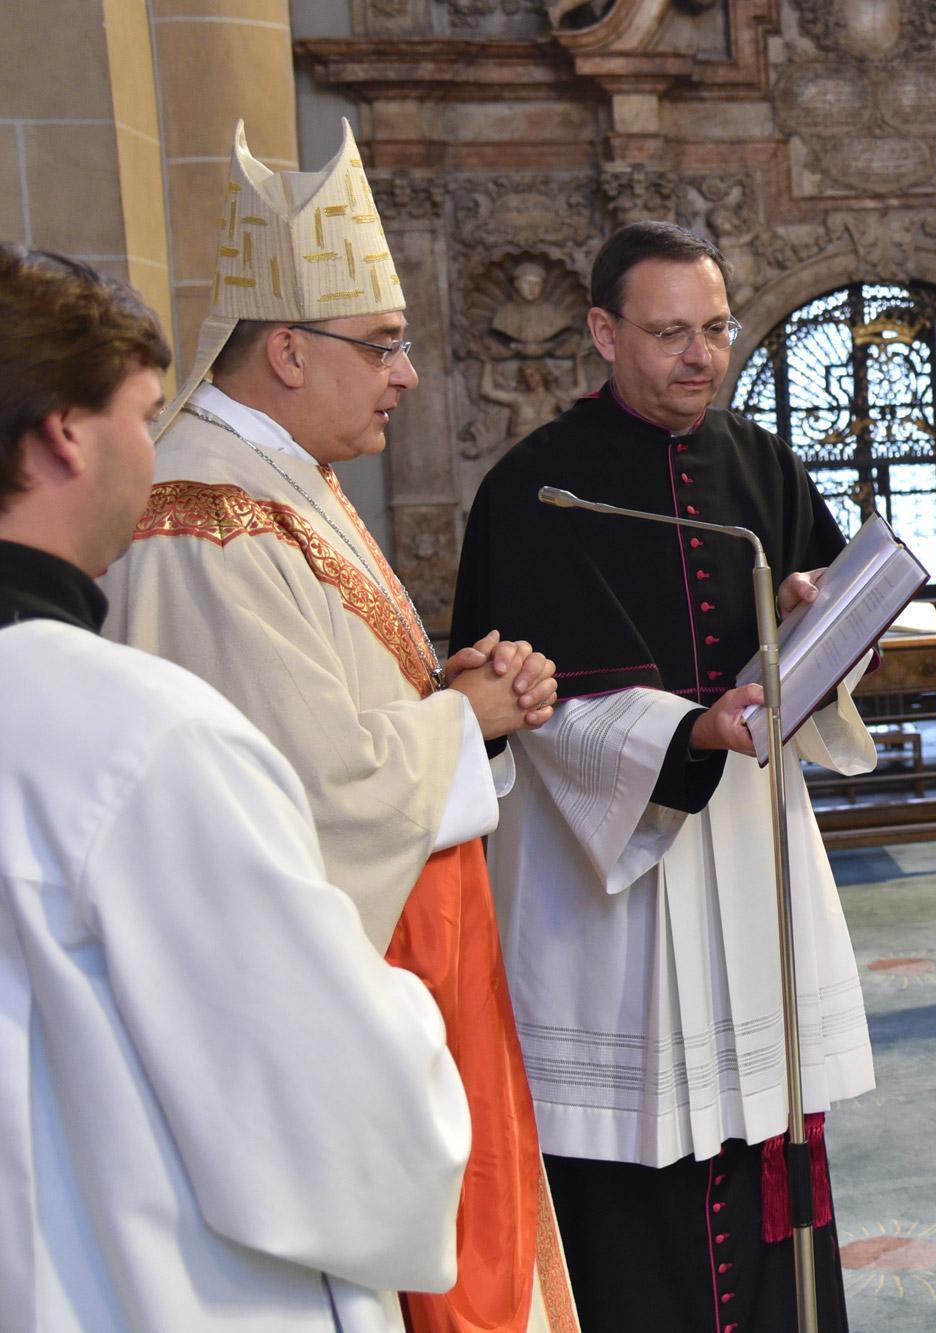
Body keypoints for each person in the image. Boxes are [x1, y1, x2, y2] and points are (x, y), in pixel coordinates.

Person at [97, 122, 575, 1331]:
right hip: (358, 966)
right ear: (287, 351)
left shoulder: (283, 482)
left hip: (427, 920)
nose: (406, 374)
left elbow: (334, 709)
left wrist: (452, 697)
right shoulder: (203, 516)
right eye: (384, 344)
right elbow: (300, 795)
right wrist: (462, 717)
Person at [0, 243, 471, 1330]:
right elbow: (355, 1131)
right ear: (66, 435)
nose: (156, 449)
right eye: (144, 413)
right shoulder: (145, 739)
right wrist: (408, 1012)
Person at [451, 220, 878, 1332]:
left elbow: (831, 629)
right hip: (613, 882)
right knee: (638, 1165)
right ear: (603, 332)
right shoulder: (537, 490)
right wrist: (689, 732)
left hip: (752, 852)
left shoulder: (763, 462)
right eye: (671, 333)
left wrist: (814, 623)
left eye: (717, 329)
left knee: (766, 1127)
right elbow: (533, 710)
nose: (702, 355)